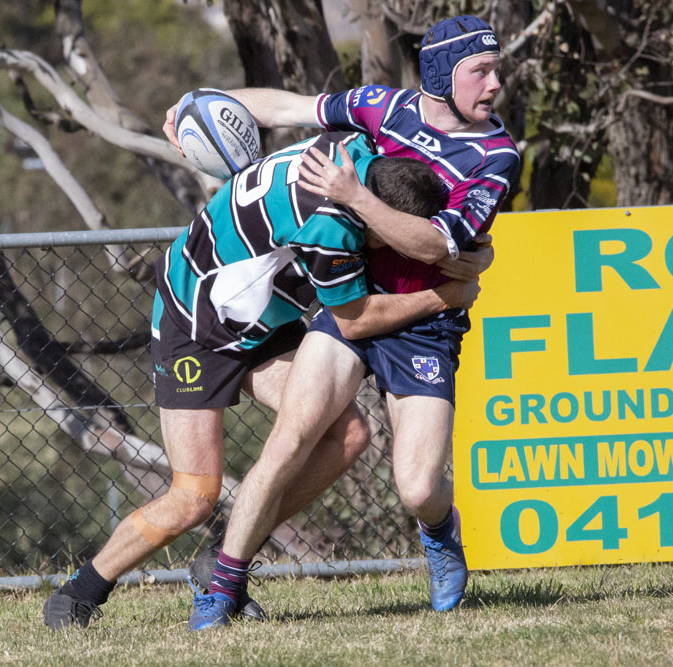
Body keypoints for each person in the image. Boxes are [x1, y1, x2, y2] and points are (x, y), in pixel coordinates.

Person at [41, 129, 482, 629]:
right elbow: (356, 320)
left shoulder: (353, 150)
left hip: (260, 315)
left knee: (348, 433)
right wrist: (444, 296)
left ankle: (227, 558)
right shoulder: (329, 227)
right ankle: (78, 593)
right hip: (196, 322)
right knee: (194, 495)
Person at [162, 15, 522, 629]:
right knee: (290, 440)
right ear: (442, 75)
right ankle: (221, 587)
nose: (495, 85)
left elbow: (436, 245)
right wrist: (199, 106)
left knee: (417, 488)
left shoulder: (496, 155)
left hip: (424, 320)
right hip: (352, 301)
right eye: (481, 71)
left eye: (496, 71)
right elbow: (287, 106)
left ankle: (440, 532)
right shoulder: (387, 107)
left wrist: (357, 198)